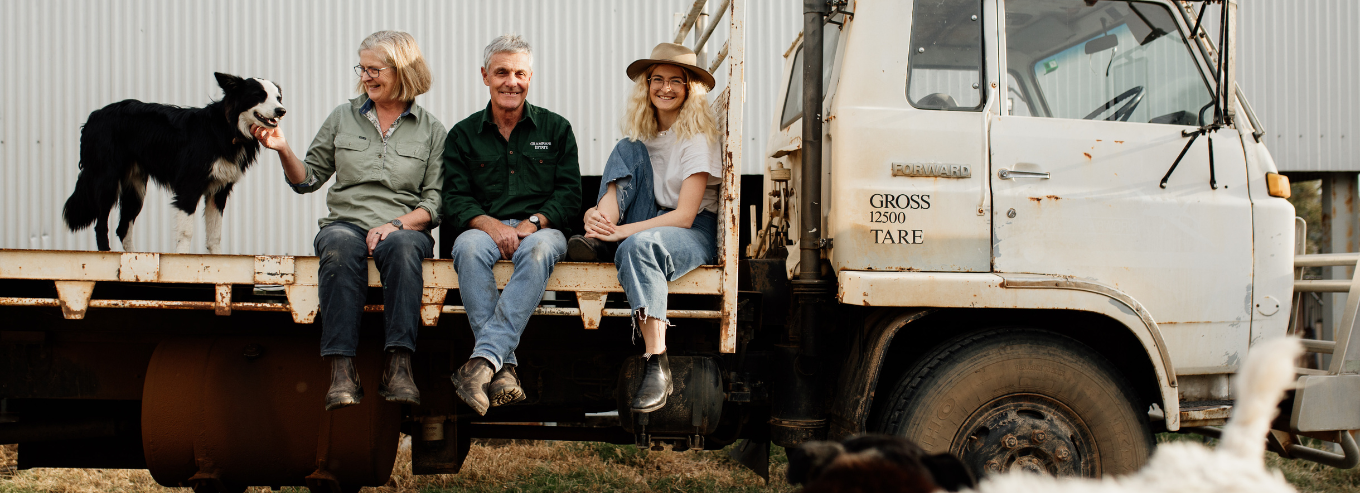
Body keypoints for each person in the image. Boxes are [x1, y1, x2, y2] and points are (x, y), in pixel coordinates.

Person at [254, 31, 445, 411]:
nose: (366, 77)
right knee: (339, 246)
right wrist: (283, 149)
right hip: (347, 222)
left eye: (376, 69)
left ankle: (399, 367)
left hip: (404, 226)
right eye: (362, 68)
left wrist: (397, 224)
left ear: (404, 71)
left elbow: (435, 203)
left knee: (405, 249)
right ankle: (342, 370)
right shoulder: (342, 117)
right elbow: (307, 179)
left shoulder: (432, 130)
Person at [567, 43, 723, 413]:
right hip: (647, 217)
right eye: (657, 80)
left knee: (638, 246)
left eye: (676, 81)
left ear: (689, 89)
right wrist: (599, 218)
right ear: (647, 86)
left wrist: (625, 232)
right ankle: (598, 236)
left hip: (691, 229)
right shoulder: (645, 137)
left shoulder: (696, 137)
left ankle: (657, 361)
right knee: (628, 147)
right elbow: (623, 185)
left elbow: (685, 216)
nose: (665, 88)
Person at [442, 34, 581, 416]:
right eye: (502, 72)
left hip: (540, 231)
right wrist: (491, 225)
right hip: (482, 230)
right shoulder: (463, 134)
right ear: (485, 76)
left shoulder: (555, 129)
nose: (511, 81)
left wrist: (532, 223)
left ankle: (482, 362)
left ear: (530, 78)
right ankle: (502, 371)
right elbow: (453, 199)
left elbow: (570, 195)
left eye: (520, 73)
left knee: (538, 252)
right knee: (468, 248)